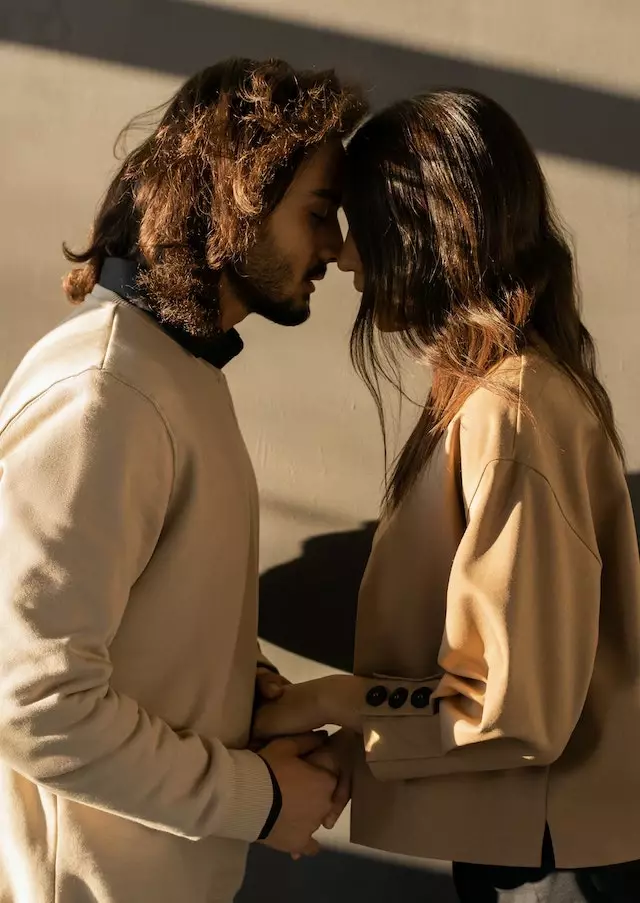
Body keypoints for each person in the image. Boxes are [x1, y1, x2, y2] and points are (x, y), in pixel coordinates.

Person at [254, 89, 640, 901]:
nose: (346, 257)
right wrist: (353, 742)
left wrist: (331, 699)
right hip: (533, 837)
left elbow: (511, 708)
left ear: (421, 231)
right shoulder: (500, 396)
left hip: (551, 858)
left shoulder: (510, 411)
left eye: (359, 223)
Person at [0, 58, 366, 903]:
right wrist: (258, 798)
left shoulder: (173, 376)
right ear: (237, 195)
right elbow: (30, 699)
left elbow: (150, 632)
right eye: (318, 213)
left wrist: (259, 700)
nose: (337, 246)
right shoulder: (108, 392)